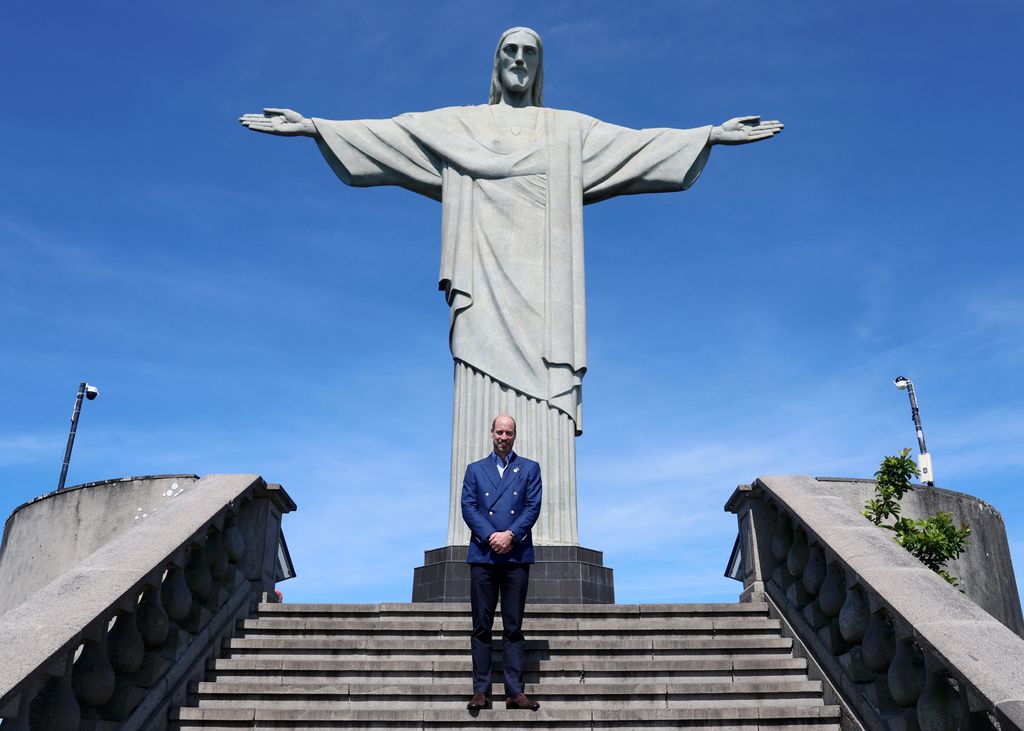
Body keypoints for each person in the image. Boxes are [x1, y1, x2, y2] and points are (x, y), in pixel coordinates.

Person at [239, 27, 783, 552]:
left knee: (547, 403)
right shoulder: (461, 126)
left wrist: (707, 135)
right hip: (482, 284)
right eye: (509, 51)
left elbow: (637, 148)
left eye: (529, 52)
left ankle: (546, 538)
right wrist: (315, 127)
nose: (519, 59)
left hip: (548, 296)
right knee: (477, 391)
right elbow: (392, 134)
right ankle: (475, 539)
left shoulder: (569, 131)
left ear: (539, 66)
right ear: (496, 64)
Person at [460, 414, 541, 710]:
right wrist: (492, 536)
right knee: (481, 626)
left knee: (513, 626)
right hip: (483, 554)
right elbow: (468, 507)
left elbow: (533, 507)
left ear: (515, 435)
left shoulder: (530, 468)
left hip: (516, 555)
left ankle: (514, 691)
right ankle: (480, 690)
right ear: (491, 433)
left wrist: (511, 534)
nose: (504, 437)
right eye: (499, 432)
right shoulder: (475, 470)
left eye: (509, 433)